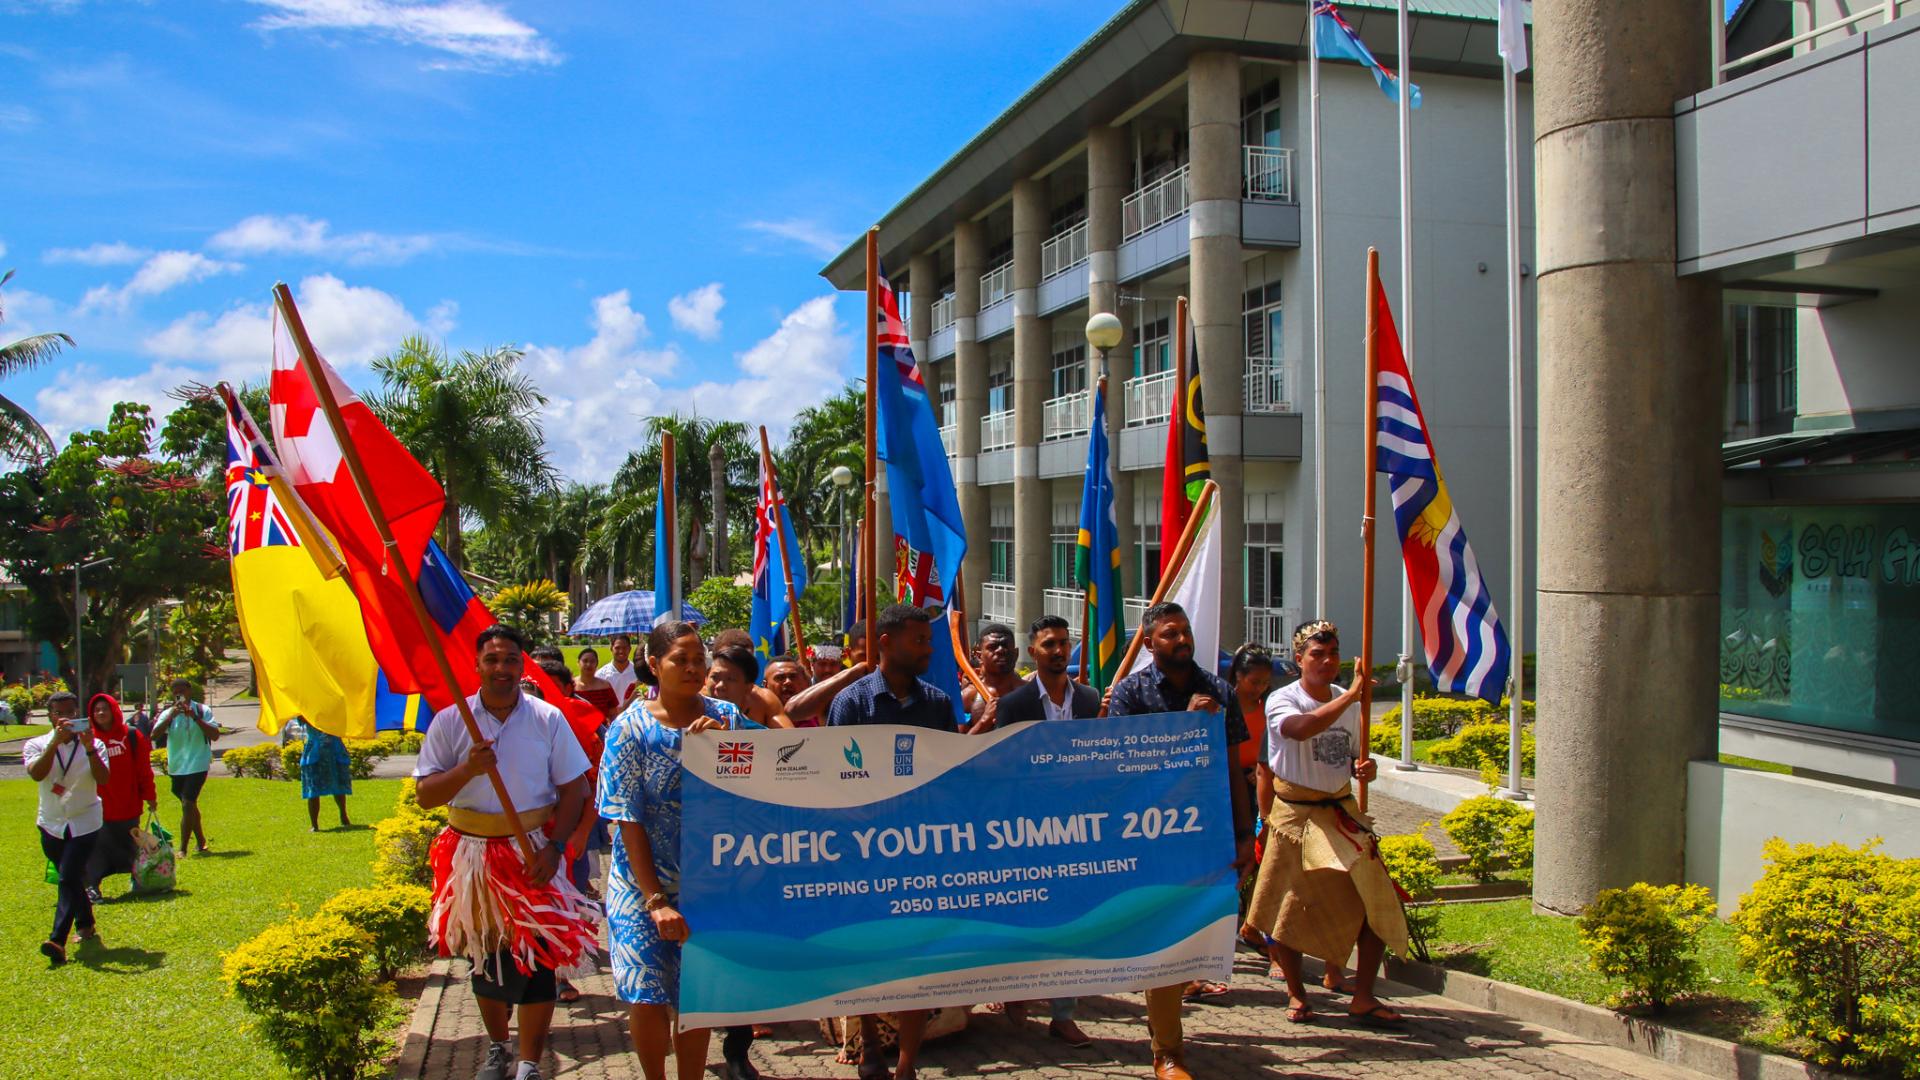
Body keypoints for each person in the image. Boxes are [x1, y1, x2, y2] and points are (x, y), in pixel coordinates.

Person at [415, 625, 600, 1080]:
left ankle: (530, 1062)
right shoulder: (451, 721)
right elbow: (426, 794)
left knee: (538, 959)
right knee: (488, 959)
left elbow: (574, 787)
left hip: (534, 852)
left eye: (511, 660)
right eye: (492, 660)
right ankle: (498, 1048)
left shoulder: (546, 717)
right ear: (477, 665)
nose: (502, 668)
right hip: (474, 857)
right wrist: (469, 768)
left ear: (522, 665)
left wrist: (556, 847)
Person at [598, 620, 761, 1080]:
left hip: (707, 885)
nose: (694, 669)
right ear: (653, 665)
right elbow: (625, 819)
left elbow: (773, 769)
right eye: (680, 660)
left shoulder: (726, 718)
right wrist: (653, 902)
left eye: (698, 659)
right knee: (646, 992)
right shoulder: (629, 730)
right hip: (640, 884)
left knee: (695, 994)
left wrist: (723, 749)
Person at [1106, 601, 1258, 1080]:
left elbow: (1233, 769)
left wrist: (1243, 835)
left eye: (1186, 632)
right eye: (1170, 634)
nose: (1182, 640)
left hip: (1206, 833)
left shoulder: (1219, 691)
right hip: (1150, 836)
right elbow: (1123, 771)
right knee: (1164, 939)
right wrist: (1184, 730)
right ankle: (1168, 1052)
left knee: (1194, 937)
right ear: (1150, 643)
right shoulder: (1131, 694)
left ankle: (1169, 1031)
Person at [1247, 620, 1409, 1029]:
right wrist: (1352, 696)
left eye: (1333, 653)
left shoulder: (1346, 701)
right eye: (1317, 654)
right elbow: (1299, 730)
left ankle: (1363, 995)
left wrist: (1364, 768)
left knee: (1375, 903)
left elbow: (1352, 754)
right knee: (1290, 911)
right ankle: (1298, 994)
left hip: (1340, 813)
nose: (1327, 661)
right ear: (1299, 659)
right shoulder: (1282, 699)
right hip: (1296, 816)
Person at [828, 604, 956, 1080]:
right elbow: (833, 781)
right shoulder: (852, 704)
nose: (928, 648)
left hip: (921, 854)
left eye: (929, 640)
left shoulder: (939, 705)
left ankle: (906, 1063)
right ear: (886, 642)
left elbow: (951, 775)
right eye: (918, 640)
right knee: (867, 953)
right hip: (862, 857)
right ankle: (868, 1047)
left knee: (914, 960)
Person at [984, 614, 1098, 1047]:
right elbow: (1001, 768)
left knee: (1070, 919)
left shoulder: (1087, 701)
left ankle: (1063, 1013)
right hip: (1024, 830)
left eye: (1064, 643)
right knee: (1021, 915)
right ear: (1032, 652)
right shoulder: (1014, 706)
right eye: (1049, 644)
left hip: (1075, 831)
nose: (1059, 651)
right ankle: (1014, 991)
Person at [25, 691, 108, 964]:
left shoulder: (94, 744)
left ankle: (57, 940)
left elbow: (103, 778)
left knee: (66, 877)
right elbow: (37, 774)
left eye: (72, 712)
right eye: (60, 714)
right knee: (72, 878)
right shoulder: (35, 744)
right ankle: (86, 922)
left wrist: (89, 748)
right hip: (51, 823)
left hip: (85, 821)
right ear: (50, 716)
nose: (67, 719)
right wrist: (54, 744)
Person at [80, 692, 156, 904]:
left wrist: (150, 796)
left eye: (105, 708)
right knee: (96, 849)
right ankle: (92, 887)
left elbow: (144, 770)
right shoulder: (87, 740)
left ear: (114, 710)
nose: (101, 713)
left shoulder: (131, 735)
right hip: (97, 807)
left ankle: (140, 880)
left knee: (131, 845)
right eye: (96, 710)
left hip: (128, 805)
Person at [155, 678, 218, 855]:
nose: (178, 694)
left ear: (189, 691)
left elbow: (215, 735)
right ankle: (201, 841)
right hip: (177, 766)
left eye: (181, 691)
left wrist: (195, 717)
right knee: (189, 805)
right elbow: (153, 735)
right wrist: (170, 717)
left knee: (187, 803)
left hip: (198, 763)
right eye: (175, 692)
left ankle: (183, 848)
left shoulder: (202, 710)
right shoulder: (168, 713)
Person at [959, 623, 1023, 731]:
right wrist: (985, 720)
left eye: (1005, 645)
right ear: (979, 656)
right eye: (992, 647)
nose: (1000, 650)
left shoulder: (1034, 693)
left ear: (1016, 653)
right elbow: (957, 745)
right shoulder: (967, 697)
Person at [299, 720, 354, 832]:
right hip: (315, 750)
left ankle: (343, 815)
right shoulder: (305, 708)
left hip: (334, 748)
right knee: (313, 788)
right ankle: (315, 824)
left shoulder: (334, 706)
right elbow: (301, 718)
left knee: (338, 784)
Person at [573, 647, 621, 718]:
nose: (589, 664)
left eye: (592, 661)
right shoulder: (571, 685)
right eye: (585, 661)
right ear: (578, 663)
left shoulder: (605, 686)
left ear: (597, 663)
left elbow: (613, 713)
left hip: (602, 727)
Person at [597, 634, 641, 705]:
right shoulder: (601, 674)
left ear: (629, 649)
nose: (621, 651)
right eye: (617, 648)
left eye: (624, 648)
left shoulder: (638, 672)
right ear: (611, 648)